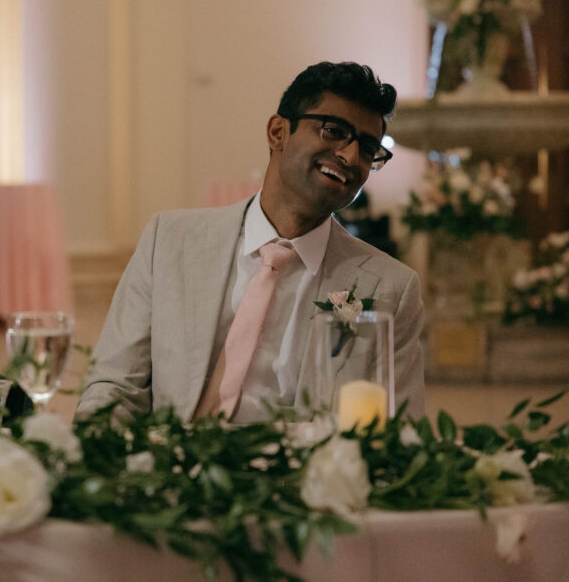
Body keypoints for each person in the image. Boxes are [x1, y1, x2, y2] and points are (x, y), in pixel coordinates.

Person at [76, 62, 425, 423]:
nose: (350, 156)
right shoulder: (170, 241)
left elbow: (400, 433)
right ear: (278, 132)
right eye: (333, 130)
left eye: (368, 149)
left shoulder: (390, 290)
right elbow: (114, 388)